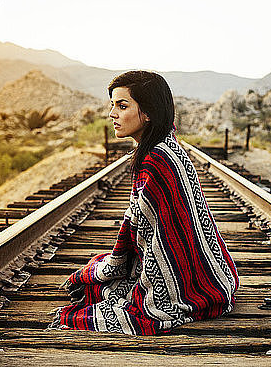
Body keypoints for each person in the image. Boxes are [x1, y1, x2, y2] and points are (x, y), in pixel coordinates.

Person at [49, 70, 239, 335]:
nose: (112, 114)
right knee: (99, 277)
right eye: (112, 105)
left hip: (186, 285)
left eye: (122, 106)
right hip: (212, 275)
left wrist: (150, 280)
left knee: (100, 285)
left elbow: (156, 238)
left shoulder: (155, 160)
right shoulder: (164, 147)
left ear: (148, 112)